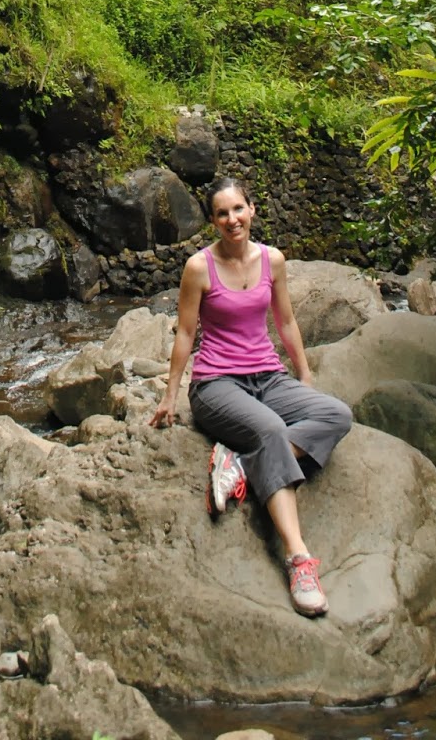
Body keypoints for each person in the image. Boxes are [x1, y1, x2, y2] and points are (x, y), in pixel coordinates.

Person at [149, 176, 352, 617]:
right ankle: (299, 560)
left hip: (268, 377)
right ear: (213, 221)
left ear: (252, 209)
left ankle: (239, 462)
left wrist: (304, 375)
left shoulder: (272, 260)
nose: (232, 219)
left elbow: (287, 322)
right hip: (216, 384)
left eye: (238, 209)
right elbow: (185, 333)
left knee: (337, 414)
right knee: (272, 430)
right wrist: (170, 395)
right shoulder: (199, 268)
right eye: (222, 213)